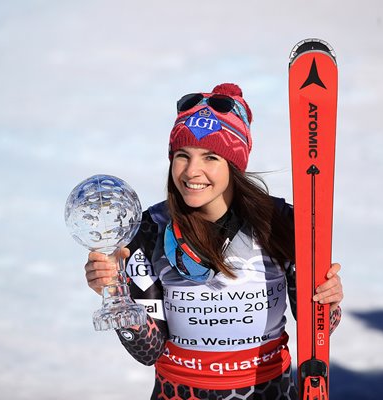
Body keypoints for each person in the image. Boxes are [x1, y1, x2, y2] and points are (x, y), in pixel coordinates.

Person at [84, 83, 344, 399]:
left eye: (210, 157)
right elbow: (148, 350)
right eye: (182, 155)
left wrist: (327, 301)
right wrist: (117, 295)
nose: (193, 171)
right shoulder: (150, 228)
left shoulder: (281, 222)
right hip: (179, 392)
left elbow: (314, 325)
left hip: (266, 390)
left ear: (233, 164)